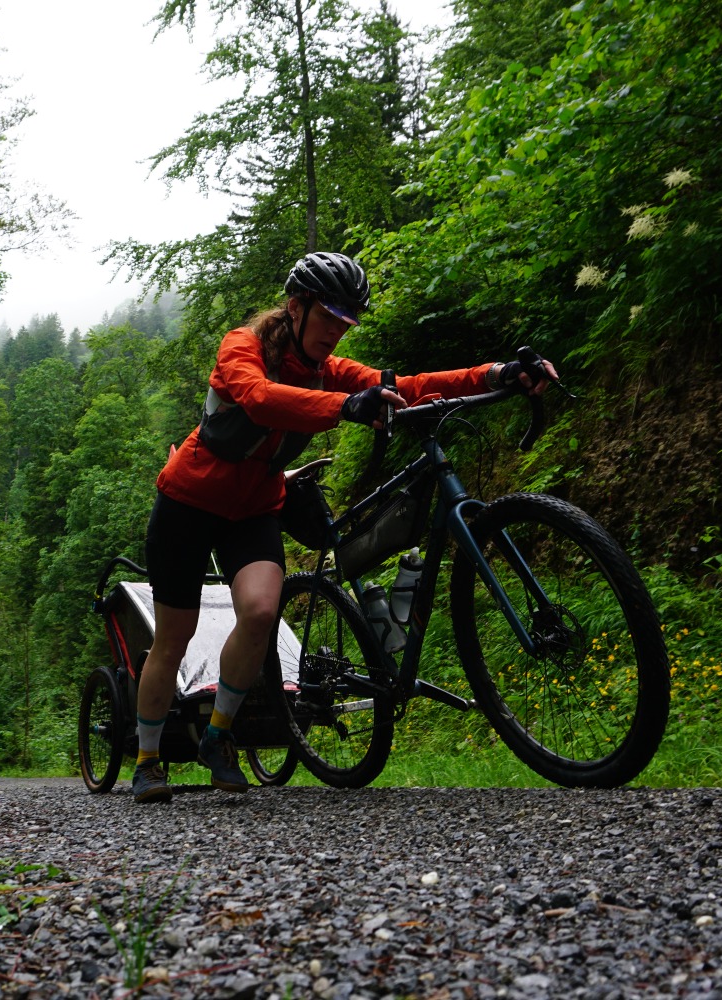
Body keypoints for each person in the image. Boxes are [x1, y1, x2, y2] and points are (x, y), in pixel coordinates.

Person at [131, 251, 556, 803]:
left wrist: (497, 373)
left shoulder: (330, 371)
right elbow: (260, 400)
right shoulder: (244, 347)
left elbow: (410, 384)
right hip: (187, 501)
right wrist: (345, 407)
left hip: (255, 508)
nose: (337, 331)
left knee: (260, 612)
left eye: (347, 321)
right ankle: (147, 758)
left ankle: (218, 738)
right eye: (329, 316)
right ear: (295, 306)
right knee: (174, 638)